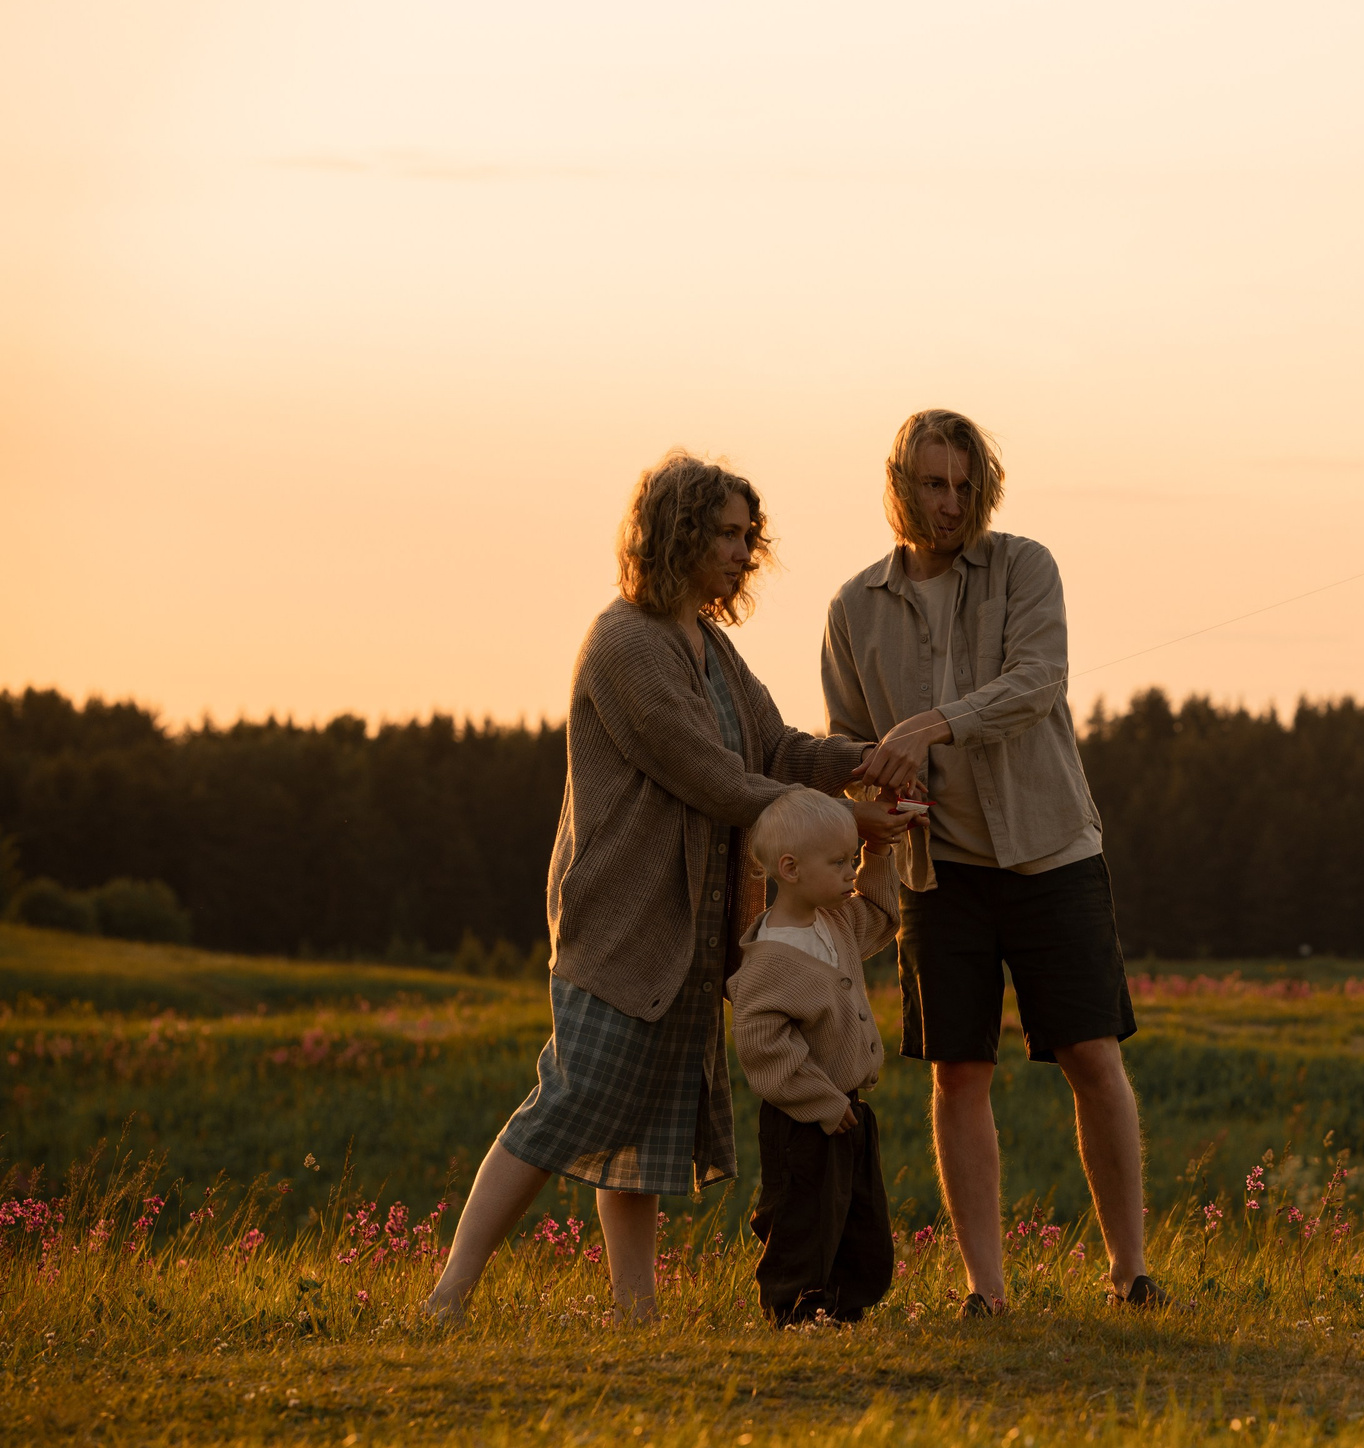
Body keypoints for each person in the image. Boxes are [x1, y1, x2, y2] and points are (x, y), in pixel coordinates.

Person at [423, 451, 905, 1324]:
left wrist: (862, 765)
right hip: (625, 925)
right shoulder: (625, 643)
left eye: (747, 537)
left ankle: (633, 1311)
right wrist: (843, 824)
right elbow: (714, 777)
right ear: (675, 532)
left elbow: (774, 748)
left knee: (641, 1132)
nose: (741, 552)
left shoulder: (709, 645)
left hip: (695, 930)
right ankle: (449, 1293)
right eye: (725, 533)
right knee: (570, 1100)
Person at [821, 409, 1157, 1313]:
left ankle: (1131, 1272)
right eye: (934, 483)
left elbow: (1037, 678)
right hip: (940, 871)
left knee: (1092, 1054)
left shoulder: (1024, 566)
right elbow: (851, 740)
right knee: (956, 1071)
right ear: (902, 484)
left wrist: (931, 724)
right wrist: (875, 805)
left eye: (965, 484)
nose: (950, 501)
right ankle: (987, 1290)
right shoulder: (853, 607)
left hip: (1051, 848)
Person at [730, 788, 900, 1327]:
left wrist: (879, 853)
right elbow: (764, 1049)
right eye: (839, 862)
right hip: (801, 1117)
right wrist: (821, 1103)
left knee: (857, 1215)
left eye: (853, 859)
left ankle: (844, 1309)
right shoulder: (769, 959)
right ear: (790, 868)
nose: (851, 872)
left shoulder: (837, 921)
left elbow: (881, 912)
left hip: (845, 1107)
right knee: (804, 1215)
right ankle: (795, 1309)